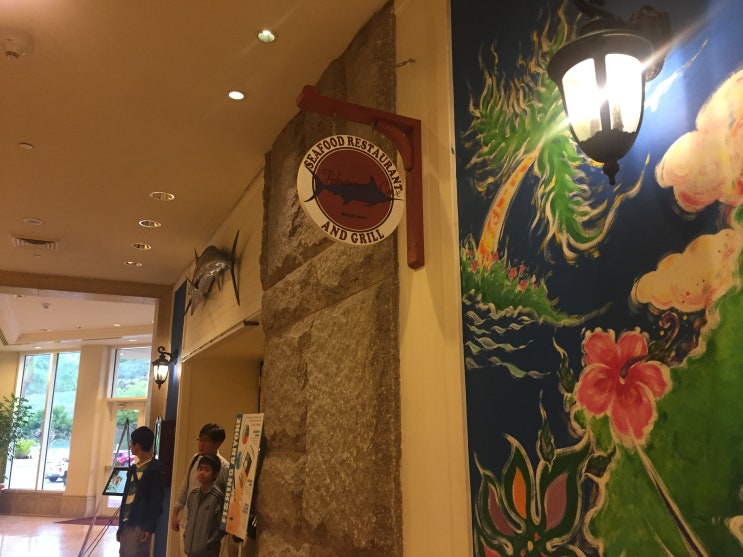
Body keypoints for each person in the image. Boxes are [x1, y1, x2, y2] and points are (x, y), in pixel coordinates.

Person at [171, 423, 230, 555]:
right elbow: (185, 486)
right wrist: (175, 513)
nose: (201, 444)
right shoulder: (195, 459)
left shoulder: (224, 467)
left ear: (217, 443)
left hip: (206, 529)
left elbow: (227, 502)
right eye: (200, 439)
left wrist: (214, 537)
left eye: (205, 440)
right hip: (187, 523)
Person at [117, 426, 164, 557]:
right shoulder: (133, 469)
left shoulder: (154, 470)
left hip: (140, 522)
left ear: (138, 445)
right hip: (127, 520)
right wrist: (120, 525)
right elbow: (126, 498)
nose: (130, 445)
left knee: (135, 553)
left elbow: (156, 501)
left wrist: (149, 527)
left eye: (131, 442)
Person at [183, 453, 225, 557]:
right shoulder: (193, 495)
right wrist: (186, 536)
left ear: (215, 474)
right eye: (200, 468)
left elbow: (222, 527)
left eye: (207, 470)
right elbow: (189, 520)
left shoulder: (217, 497)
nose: (202, 473)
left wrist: (208, 544)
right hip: (190, 550)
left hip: (208, 553)